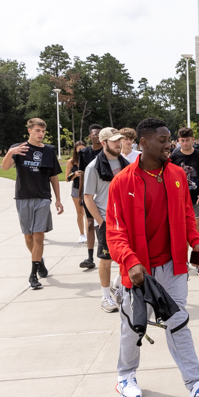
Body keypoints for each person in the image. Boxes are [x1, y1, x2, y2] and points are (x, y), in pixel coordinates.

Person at [107, 117, 199, 397]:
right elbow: (115, 230)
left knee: (178, 321)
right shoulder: (123, 181)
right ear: (143, 143)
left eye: (169, 138)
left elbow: (186, 213)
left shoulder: (176, 175)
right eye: (162, 140)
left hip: (173, 266)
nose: (168, 144)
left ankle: (196, 386)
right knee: (134, 326)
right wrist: (130, 261)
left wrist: (195, 240)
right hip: (138, 270)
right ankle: (125, 376)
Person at [1, 117, 64, 290]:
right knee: (28, 237)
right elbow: (5, 167)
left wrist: (57, 199)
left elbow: (54, 177)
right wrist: (10, 153)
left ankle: (33, 275)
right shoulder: (19, 148)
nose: (41, 134)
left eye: (43, 131)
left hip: (43, 198)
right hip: (23, 197)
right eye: (37, 130)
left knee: (38, 235)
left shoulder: (49, 151)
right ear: (29, 130)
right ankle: (39, 261)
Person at [83, 127, 128, 313]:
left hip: (126, 218)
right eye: (114, 141)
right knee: (106, 259)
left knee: (128, 256)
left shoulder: (125, 163)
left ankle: (117, 286)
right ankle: (105, 297)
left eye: (119, 140)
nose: (118, 143)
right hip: (107, 221)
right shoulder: (93, 167)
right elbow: (87, 198)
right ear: (103, 143)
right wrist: (101, 221)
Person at [170, 127, 199, 276]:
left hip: (196, 198)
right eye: (182, 140)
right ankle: (184, 262)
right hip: (180, 199)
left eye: (188, 140)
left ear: (193, 140)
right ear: (178, 141)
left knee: (198, 229)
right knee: (181, 231)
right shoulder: (174, 156)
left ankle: (198, 262)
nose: (185, 143)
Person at [78, 124, 103, 270]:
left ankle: (104, 251)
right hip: (89, 193)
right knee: (89, 224)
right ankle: (90, 256)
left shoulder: (107, 152)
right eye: (94, 134)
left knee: (103, 224)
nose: (97, 137)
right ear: (90, 136)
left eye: (99, 134)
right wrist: (81, 194)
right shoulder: (84, 153)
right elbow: (82, 175)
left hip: (103, 193)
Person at [66, 141, 86, 243]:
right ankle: (82, 234)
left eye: (83, 149)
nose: (81, 151)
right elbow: (66, 178)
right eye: (79, 149)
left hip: (88, 189)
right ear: (75, 150)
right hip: (76, 189)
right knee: (79, 212)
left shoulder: (89, 159)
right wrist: (74, 174)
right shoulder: (71, 162)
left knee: (88, 213)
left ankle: (89, 233)